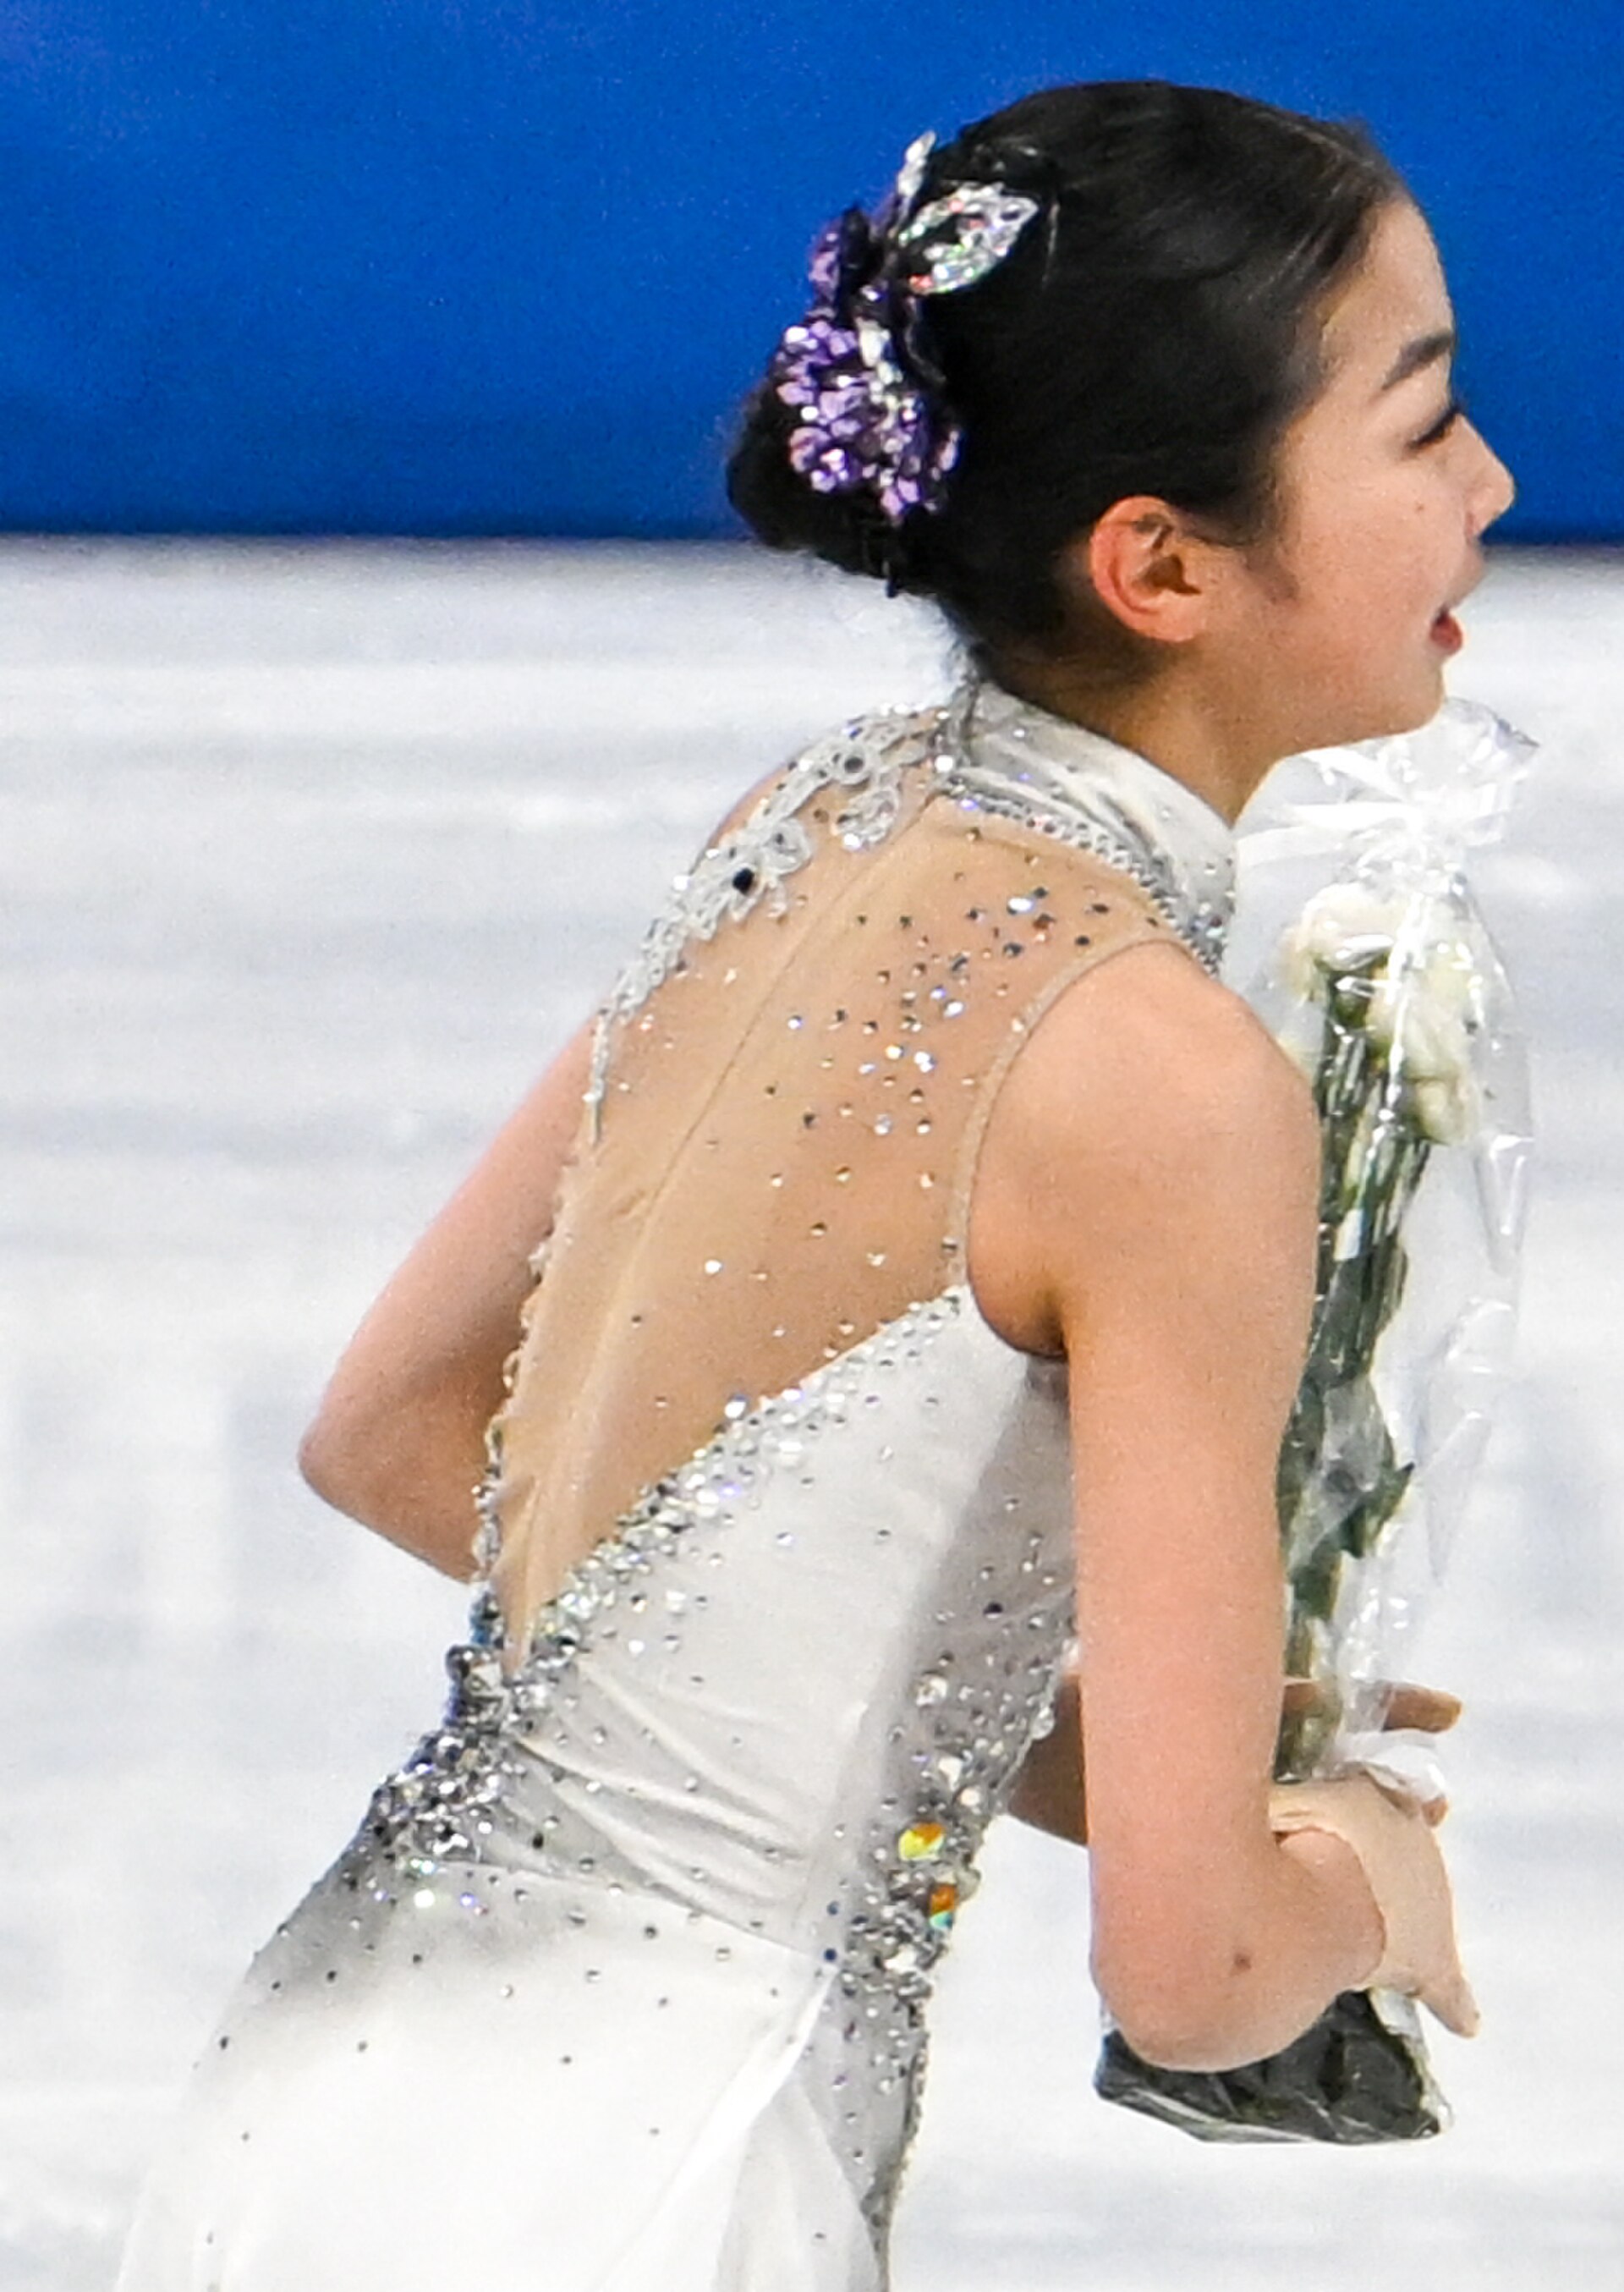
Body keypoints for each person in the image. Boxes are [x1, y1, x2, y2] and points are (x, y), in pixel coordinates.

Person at [115, 77, 1513, 2290]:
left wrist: (1050, 1745)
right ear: (1160, 563)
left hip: (324, 2100)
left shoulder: (825, 817)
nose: (1495, 487)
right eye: (1425, 429)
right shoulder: (1166, 1083)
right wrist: (1350, 1866)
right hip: (654, 2189)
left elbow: (391, 1431)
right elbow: (1196, 1972)